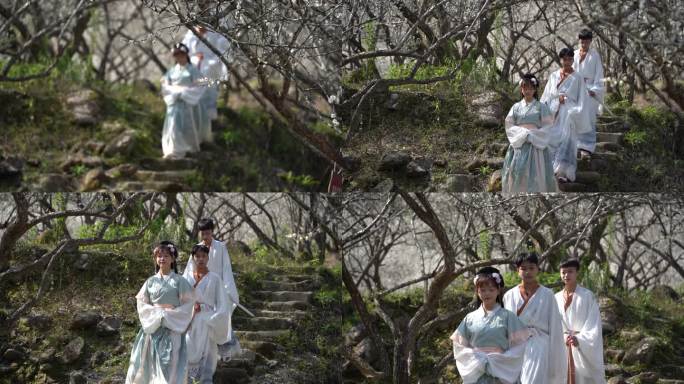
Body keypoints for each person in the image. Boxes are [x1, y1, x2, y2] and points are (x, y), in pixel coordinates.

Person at [125, 243, 195, 384]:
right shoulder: (150, 281)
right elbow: (142, 304)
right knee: (149, 362)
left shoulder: (180, 281)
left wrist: (168, 315)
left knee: (172, 362)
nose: (162, 258)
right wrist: (156, 313)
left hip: (173, 326)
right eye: (159, 256)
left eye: (166, 256)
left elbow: (189, 304)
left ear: (172, 259)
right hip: (153, 326)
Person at [451, 267, 530, 383]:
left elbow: (519, 346)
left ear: (498, 291)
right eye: (482, 290)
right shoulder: (470, 318)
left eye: (491, 290)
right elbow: (459, 345)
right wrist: (477, 359)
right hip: (477, 370)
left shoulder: (508, 316)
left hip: (501, 370)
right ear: (477, 292)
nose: (487, 293)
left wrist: (500, 359)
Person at [503, 252, 567, 384]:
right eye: (523, 268)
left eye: (531, 268)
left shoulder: (548, 295)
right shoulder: (509, 295)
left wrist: (555, 355)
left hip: (539, 344)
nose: (528, 272)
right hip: (515, 346)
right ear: (517, 271)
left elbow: (555, 326)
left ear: (538, 269)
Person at [183, 218, 240, 358]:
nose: (205, 236)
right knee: (202, 321)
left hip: (217, 287)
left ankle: (227, 348)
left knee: (221, 316)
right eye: (203, 233)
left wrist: (227, 289)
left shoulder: (220, 247)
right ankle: (205, 353)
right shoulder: (197, 248)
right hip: (203, 290)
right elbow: (189, 270)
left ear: (212, 232)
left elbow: (226, 268)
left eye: (207, 233)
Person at [501, 73, 559, 193]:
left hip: (536, 144)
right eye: (524, 87)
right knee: (516, 171)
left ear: (535, 89)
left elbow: (548, 126)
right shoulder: (516, 107)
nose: (527, 90)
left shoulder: (541, 107)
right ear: (521, 89)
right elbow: (509, 124)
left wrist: (532, 135)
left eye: (530, 88)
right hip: (519, 143)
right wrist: (523, 133)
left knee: (537, 173)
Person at [540, 48, 589, 183]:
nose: (567, 62)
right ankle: (549, 169)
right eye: (564, 59)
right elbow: (547, 96)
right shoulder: (554, 76)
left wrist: (575, 110)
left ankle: (564, 172)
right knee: (551, 138)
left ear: (573, 60)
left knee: (567, 141)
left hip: (570, 114)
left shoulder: (578, 77)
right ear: (560, 60)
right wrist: (554, 102)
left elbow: (582, 99)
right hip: (554, 113)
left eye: (569, 59)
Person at [554, 259, 606, 384]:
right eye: (563, 272)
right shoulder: (555, 298)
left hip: (582, 346)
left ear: (577, 273)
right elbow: (553, 325)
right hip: (562, 346)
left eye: (570, 271)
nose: (566, 275)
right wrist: (561, 338)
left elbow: (594, 326)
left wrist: (580, 339)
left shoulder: (588, 296)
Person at [184, 244, 231, 383]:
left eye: (203, 256)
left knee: (207, 356)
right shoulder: (186, 278)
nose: (200, 259)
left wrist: (215, 319)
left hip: (207, 321)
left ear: (208, 257)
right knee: (186, 351)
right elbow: (180, 301)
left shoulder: (215, 278)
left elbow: (223, 303)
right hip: (189, 321)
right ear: (193, 258)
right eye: (197, 256)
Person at [182, 25, 232, 143]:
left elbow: (222, 54)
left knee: (207, 96)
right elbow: (184, 51)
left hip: (208, 70)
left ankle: (206, 133)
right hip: (194, 69)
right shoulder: (191, 34)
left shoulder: (216, 35)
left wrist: (208, 63)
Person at [160, 43, 204, 159]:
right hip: (174, 102)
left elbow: (200, 85)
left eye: (181, 55)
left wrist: (184, 92)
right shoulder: (171, 71)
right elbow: (165, 85)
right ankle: (174, 149)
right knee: (173, 125)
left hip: (187, 102)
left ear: (186, 55)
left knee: (187, 126)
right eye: (177, 55)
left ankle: (188, 147)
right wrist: (174, 91)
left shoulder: (193, 70)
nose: (179, 57)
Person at [573, 29, 605, 159]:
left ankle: (587, 146)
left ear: (590, 41)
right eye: (581, 41)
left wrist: (595, 89)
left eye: (586, 41)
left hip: (590, 90)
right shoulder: (574, 54)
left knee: (589, 118)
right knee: (575, 117)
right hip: (576, 90)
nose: (583, 43)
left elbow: (599, 75)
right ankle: (575, 144)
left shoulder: (595, 56)